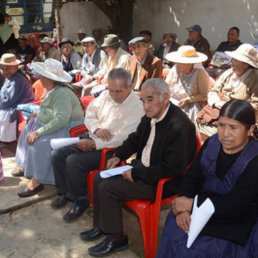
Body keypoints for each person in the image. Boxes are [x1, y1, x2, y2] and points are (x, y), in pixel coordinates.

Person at [82, 78, 197, 257]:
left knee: (108, 187)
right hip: (143, 170)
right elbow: (135, 139)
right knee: (100, 176)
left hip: (161, 183)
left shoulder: (179, 125)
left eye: (150, 99)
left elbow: (172, 168)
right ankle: (101, 226)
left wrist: (136, 173)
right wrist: (118, 155)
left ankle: (118, 238)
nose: (145, 106)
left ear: (165, 97)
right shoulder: (151, 115)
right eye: (143, 100)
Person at [157, 99, 258, 257]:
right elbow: (192, 177)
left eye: (233, 128)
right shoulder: (212, 143)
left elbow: (237, 204)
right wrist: (184, 206)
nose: (225, 134)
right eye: (221, 125)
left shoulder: (254, 159)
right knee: (175, 225)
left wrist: (191, 204)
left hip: (236, 218)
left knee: (207, 247)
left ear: (250, 129)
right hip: (201, 208)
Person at [51, 68, 144, 223]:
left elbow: (124, 138)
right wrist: (96, 128)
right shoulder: (107, 95)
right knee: (58, 154)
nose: (114, 95)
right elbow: (90, 112)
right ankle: (66, 193)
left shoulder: (137, 107)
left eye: (119, 91)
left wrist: (95, 144)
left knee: (74, 161)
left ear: (130, 87)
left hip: (112, 149)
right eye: (111, 90)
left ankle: (80, 199)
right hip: (93, 136)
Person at [15, 58, 84, 197]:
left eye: (42, 75)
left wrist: (39, 132)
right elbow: (49, 108)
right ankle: (26, 166)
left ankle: (37, 181)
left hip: (67, 128)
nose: (39, 77)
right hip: (57, 122)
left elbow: (61, 119)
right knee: (27, 130)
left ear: (49, 78)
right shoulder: (52, 90)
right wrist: (36, 113)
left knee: (38, 143)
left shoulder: (61, 93)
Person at [197, 43, 258, 142]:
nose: (231, 63)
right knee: (199, 126)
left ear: (245, 64)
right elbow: (213, 90)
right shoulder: (229, 73)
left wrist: (232, 106)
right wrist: (217, 102)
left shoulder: (255, 78)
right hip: (218, 111)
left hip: (239, 117)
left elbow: (256, 106)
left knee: (216, 135)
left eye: (235, 60)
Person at [165, 46, 210, 123]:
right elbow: (166, 86)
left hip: (189, 105)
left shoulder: (200, 73)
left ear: (189, 63)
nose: (177, 63)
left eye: (180, 62)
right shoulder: (176, 68)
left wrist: (188, 99)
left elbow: (204, 94)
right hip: (172, 101)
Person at [0, 53, 34, 142]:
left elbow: (7, 101)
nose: (5, 71)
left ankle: (5, 140)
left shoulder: (17, 80)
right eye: (3, 68)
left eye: (8, 68)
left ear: (15, 67)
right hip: (12, 104)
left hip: (20, 107)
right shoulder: (10, 77)